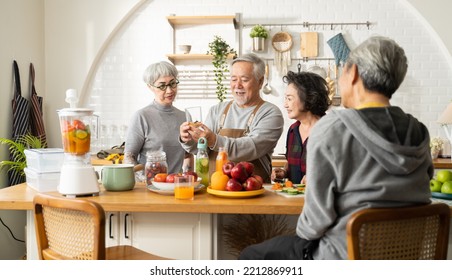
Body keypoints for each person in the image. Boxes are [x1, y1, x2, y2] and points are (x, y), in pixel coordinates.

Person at [239, 36, 433, 260]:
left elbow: (313, 225)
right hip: (404, 256)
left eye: (343, 72)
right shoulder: (418, 130)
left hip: (344, 256)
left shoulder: (332, 128)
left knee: (250, 256)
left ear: (354, 74)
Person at [179, 53, 284, 183]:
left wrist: (214, 140)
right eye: (234, 79)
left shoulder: (270, 113)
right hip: (214, 189)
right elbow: (202, 149)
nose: (237, 85)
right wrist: (189, 140)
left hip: (252, 193)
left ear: (260, 81)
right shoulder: (217, 110)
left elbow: (250, 148)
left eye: (244, 80)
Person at [124, 61, 193, 173]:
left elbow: (187, 155)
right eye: (162, 86)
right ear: (150, 87)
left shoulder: (184, 116)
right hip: (150, 186)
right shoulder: (141, 116)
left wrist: (188, 178)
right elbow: (129, 157)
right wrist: (143, 179)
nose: (170, 90)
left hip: (177, 186)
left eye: (172, 83)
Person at [271, 71, 331, 184]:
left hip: (321, 199)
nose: (285, 104)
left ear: (308, 98)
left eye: (289, 99)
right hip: (294, 200)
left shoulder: (330, 130)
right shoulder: (293, 130)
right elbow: (293, 164)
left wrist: (317, 177)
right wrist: (284, 172)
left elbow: (342, 171)